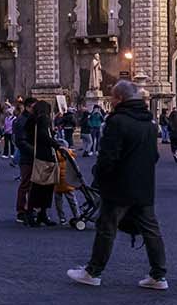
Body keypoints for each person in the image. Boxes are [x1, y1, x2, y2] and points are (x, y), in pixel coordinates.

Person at [67, 80, 167, 290]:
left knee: (106, 228)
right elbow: (154, 156)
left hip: (119, 185)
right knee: (151, 230)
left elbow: (108, 157)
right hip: (144, 184)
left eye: (112, 97)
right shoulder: (149, 123)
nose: (111, 101)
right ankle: (159, 275)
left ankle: (93, 272)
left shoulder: (117, 122)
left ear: (120, 98)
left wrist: (100, 176)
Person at [18, 99, 57, 227]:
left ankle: (32, 213)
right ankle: (39, 213)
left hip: (37, 156)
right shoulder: (43, 119)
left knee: (36, 187)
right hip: (43, 156)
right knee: (44, 186)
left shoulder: (31, 120)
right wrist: (56, 145)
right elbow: (44, 136)